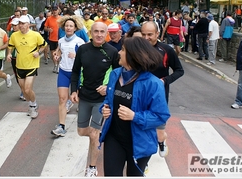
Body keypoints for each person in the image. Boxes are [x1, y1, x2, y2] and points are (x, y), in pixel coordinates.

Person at [99, 37, 171, 176]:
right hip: (113, 137)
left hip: (139, 142)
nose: (119, 52)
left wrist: (134, 116)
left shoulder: (153, 83)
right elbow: (108, 100)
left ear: (133, 55)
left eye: (123, 50)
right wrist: (104, 108)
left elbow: (161, 116)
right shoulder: (115, 74)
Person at [70, 22, 120, 177]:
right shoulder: (83, 49)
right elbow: (75, 71)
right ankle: (101, 136)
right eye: (96, 31)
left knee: (93, 133)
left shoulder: (112, 52)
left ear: (106, 33)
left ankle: (92, 167)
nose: (99, 34)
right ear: (90, 32)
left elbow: (119, 76)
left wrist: (108, 87)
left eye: (102, 32)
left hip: (102, 100)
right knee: (82, 131)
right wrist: (73, 91)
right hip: (85, 96)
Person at [140, 21, 184, 157]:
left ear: (157, 34)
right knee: (141, 125)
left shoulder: (166, 50)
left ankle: (161, 140)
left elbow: (179, 70)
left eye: (150, 35)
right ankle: (143, 158)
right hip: (140, 93)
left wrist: (164, 81)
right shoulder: (137, 49)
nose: (146, 38)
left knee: (159, 126)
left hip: (159, 94)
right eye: (143, 35)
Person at [51, 15, 86, 137]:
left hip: (76, 73)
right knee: (62, 99)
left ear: (75, 28)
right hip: (63, 72)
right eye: (66, 26)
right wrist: (57, 55)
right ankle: (61, 126)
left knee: (78, 99)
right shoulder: (61, 40)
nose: (68, 28)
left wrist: (76, 56)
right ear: (63, 27)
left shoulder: (79, 42)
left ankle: (85, 122)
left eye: (71, 26)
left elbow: (87, 57)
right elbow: (59, 51)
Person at [6, 15, 47, 119]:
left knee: (28, 89)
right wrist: (9, 54)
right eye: (19, 23)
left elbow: (44, 45)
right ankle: (31, 105)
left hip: (32, 65)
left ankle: (33, 105)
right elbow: (10, 46)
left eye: (23, 23)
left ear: (28, 24)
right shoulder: (15, 35)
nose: (21, 25)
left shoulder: (35, 35)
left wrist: (38, 52)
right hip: (19, 65)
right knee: (24, 91)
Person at [44, 6, 61, 73]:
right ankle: (55, 65)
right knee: (53, 54)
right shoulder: (49, 19)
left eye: (56, 10)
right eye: (53, 10)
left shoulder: (61, 18)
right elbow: (45, 27)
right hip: (52, 39)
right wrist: (48, 29)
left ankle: (59, 66)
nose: (55, 11)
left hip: (60, 39)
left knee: (59, 54)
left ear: (58, 11)